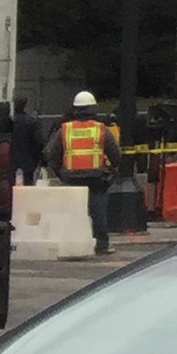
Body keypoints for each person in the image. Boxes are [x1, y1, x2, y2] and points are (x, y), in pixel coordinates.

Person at [54, 92, 122, 251]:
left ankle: (70, 244)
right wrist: (111, 171)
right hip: (96, 177)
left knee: (72, 212)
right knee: (98, 210)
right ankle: (102, 244)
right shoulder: (101, 129)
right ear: (94, 109)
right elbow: (116, 155)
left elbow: (51, 154)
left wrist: (61, 173)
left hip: (71, 178)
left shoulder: (65, 129)